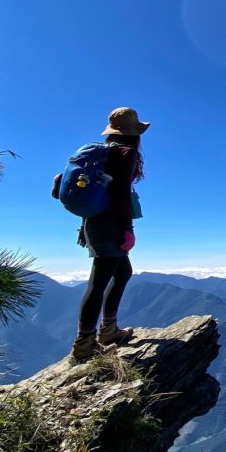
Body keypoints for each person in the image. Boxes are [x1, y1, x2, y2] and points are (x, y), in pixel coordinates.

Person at [70, 106, 150, 361]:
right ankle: (85, 343)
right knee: (99, 281)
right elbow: (120, 195)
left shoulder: (103, 154)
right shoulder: (125, 154)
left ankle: (108, 330)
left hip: (95, 223)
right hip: (111, 224)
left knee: (122, 272)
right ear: (133, 133)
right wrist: (128, 228)